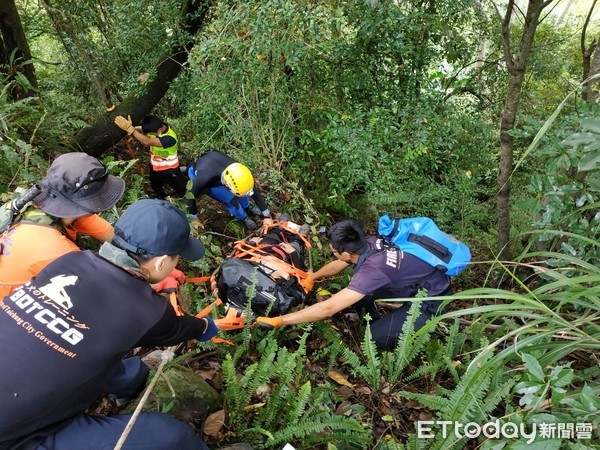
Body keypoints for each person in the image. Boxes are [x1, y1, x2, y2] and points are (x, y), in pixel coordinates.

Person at [0, 199, 217, 450]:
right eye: (177, 258)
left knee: (82, 343)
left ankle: (131, 382)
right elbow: (178, 329)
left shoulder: (68, 261)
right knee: (171, 437)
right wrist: (205, 327)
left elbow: (106, 299)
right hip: (16, 436)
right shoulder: (149, 310)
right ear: (161, 262)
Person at [255, 218, 451, 349]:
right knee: (360, 295)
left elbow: (328, 308)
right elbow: (338, 264)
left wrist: (280, 320)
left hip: (430, 299)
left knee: (372, 340)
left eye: (333, 251)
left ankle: (383, 344)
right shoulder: (370, 243)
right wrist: (312, 278)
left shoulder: (372, 271)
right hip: (414, 280)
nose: (333, 254)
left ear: (348, 252)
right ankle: (374, 320)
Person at [0, 152, 125, 299]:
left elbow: (113, 237)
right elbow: (98, 291)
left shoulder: (38, 206)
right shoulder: (58, 250)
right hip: (10, 311)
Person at [185, 150, 273, 229]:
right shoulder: (205, 178)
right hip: (209, 180)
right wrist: (194, 218)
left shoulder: (240, 172)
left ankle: (247, 209)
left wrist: (267, 216)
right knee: (231, 200)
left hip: (217, 167)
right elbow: (189, 195)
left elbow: (253, 192)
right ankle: (244, 218)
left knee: (243, 195)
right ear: (227, 184)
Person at [114, 114, 187, 199]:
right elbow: (141, 129)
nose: (149, 134)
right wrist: (130, 127)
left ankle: (184, 201)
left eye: (150, 133)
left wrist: (131, 130)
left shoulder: (170, 139)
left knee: (182, 190)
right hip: (155, 168)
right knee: (155, 186)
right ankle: (163, 198)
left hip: (170, 170)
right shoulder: (155, 127)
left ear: (159, 130)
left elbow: (148, 141)